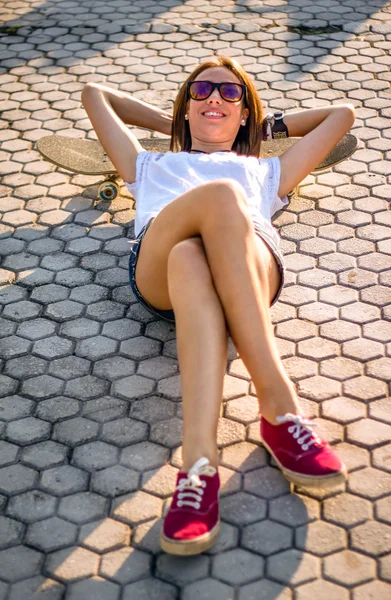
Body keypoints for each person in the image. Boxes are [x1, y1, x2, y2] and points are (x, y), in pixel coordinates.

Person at [81, 56, 356, 556]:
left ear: (247, 114)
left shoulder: (269, 168)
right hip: (156, 271)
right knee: (210, 211)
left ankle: (198, 468)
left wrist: (265, 126)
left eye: (231, 95)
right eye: (202, 91)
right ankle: (279, 409)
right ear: (185, 106)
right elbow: (95, 93)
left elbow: (341, 115)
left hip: (251, 267)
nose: (215, 98)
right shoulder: (148, 163)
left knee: (196, 250)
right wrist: (174, 125)